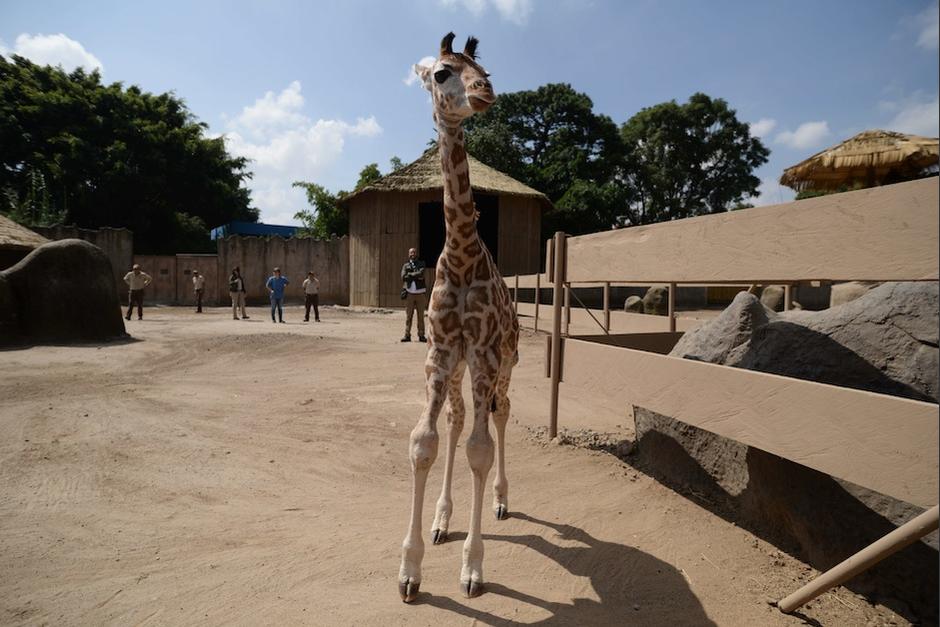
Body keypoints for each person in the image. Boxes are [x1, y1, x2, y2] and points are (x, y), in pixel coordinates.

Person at [400, 247, 427, 342]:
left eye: (414, 252)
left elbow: (421, 273)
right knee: (408, 316)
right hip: (409, 294)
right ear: (409, 254)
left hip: (420, 293)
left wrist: (410, 275)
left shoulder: (421, 263)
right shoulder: (405, 265)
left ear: (416, 254)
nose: (412, 254)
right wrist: (415, 275)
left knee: (421, 316)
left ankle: (421, 335)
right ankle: (407, 335)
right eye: (411, 253)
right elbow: (403, 277)